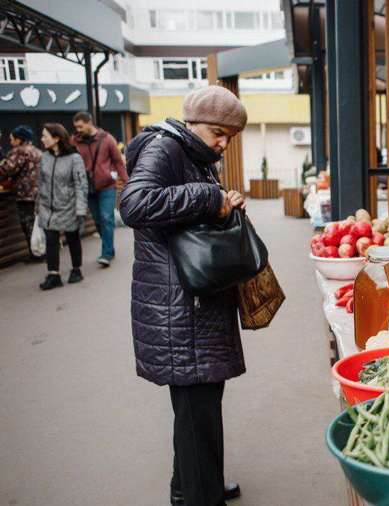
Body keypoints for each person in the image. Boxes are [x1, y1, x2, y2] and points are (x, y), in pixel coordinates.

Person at [120, 85, 248, 506]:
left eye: (229, 136)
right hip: (179, 305)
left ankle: (191, 485)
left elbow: (188, 213)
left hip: (189, 299)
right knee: (198, 409)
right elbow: (135, 204)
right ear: (191, 122)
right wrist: (211, 197)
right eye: (218, 132)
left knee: (199, 409)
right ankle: (200, 495)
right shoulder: (165, 148)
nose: (222, 143)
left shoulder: (191, 152)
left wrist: (224, 203)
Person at [36, 124, 88, 290]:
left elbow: (81, 185)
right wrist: (38, 205)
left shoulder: (74, 158)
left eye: (45, 136)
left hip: (68, 205)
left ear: (56, 138)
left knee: (72, 238)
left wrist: (80, 209)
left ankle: (76, 269)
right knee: (51, 239)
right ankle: (54, 274)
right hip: (47, 207)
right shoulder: (44, 157)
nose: (42, 139)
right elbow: (41, 182)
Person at [73, 110, 127, 266]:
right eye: (76, 127)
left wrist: (127, 182)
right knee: (97, 220)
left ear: (90, 123)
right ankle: (109, 247)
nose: (78, 130)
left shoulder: (106, 139)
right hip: (88, 187)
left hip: (107, 186)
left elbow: (118, 161)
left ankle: (107, 253)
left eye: (80, 126)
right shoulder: (76, 142)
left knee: (106, 218)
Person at [1, 125, 44, 263]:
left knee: (28, 224)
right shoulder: (37, 151)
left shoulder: (19, 152)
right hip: (40, 193)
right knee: (38, 223)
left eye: (12, 139)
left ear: (19, 139)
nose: (11, 143)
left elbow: (6, 169)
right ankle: (42, 251)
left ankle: (36, 253)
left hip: (26, 194)